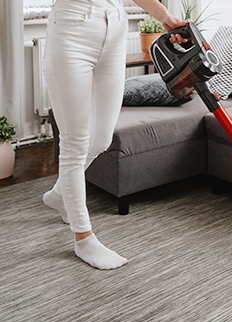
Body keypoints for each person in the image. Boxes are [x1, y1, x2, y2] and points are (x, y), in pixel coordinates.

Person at [42, 0, 188, 270]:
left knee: (102, 139)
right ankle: (83, 237)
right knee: (75, 142)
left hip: (115, 27)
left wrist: (164, 16)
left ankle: (61, 194)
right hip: (72, 28)